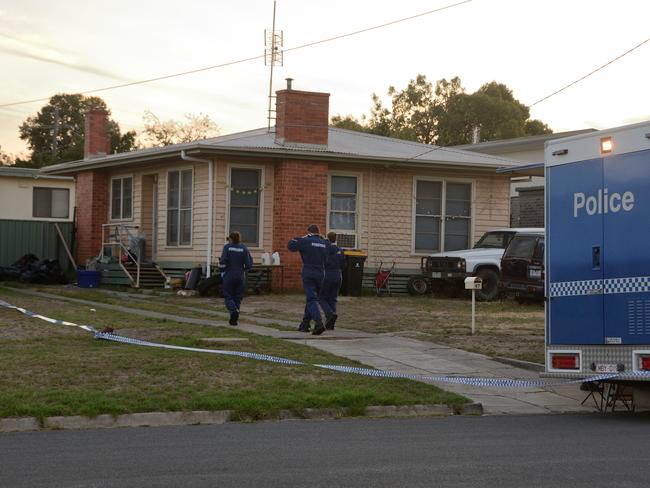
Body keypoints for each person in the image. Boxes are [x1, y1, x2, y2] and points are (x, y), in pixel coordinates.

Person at [288, 224, 330, 335]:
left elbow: (291, 246)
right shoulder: (325, 243)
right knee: (311, 299)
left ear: (309, 232)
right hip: (321, 273)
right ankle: (305, 324)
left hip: (309, 272)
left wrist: (299, 238)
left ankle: (319, 323)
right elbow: (329, 254)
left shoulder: (305, 241)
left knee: (311, 299)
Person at [219, 231, 253, 325]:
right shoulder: (244, 248)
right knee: (237, 297)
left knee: (228, 296)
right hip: (240, 276)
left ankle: (233, 311)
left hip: (229, 275)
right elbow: (249, 264)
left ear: (230, 239)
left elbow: (222, 261)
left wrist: (222, 272)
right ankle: (234, 319)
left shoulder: (227, 247)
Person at [319, 232, 346, 330]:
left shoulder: (325, 249)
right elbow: (343, 265)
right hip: (338, 275)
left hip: (327, 275)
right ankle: (331, 325)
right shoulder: (340, 250)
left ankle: (330, 314)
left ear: (327, 238)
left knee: (321, 297)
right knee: (332, 299)